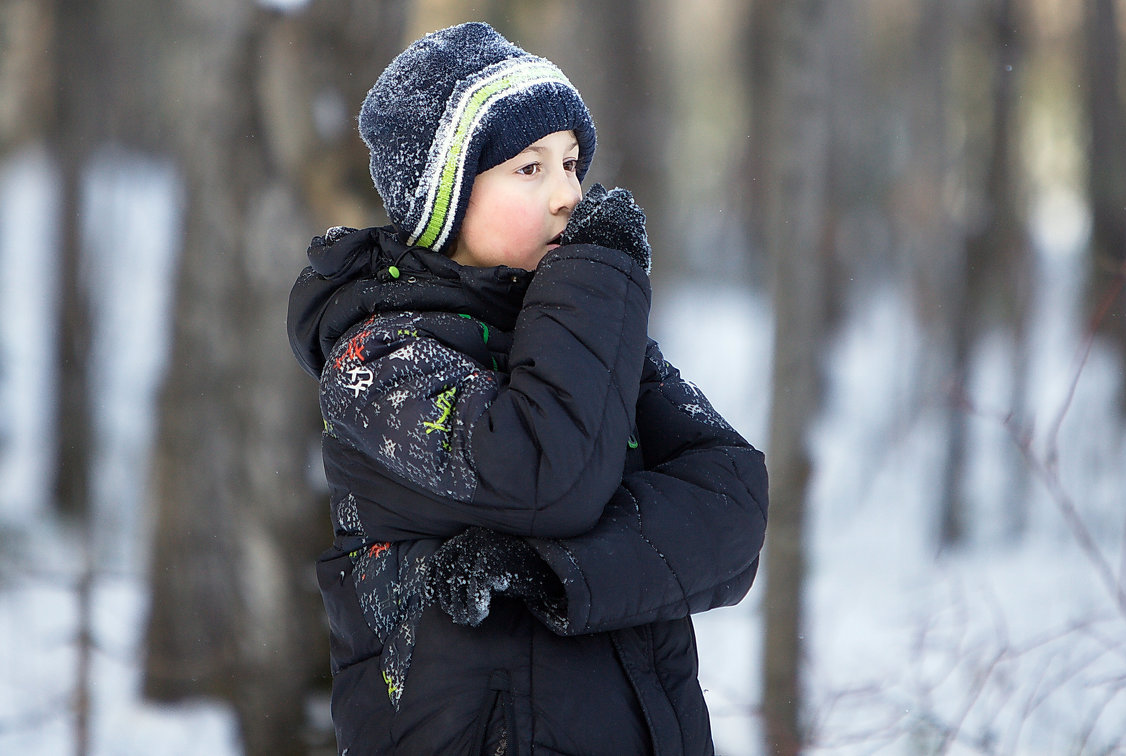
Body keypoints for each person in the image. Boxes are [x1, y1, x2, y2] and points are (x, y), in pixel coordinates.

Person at [287, 21, 768, 756]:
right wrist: (597, 276)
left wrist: (552, 570)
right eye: (529, 169)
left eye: (572, 163)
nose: (570, 195)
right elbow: (545, 474)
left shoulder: (589, 333)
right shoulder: (378, 356)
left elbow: (732, 506)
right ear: (442, 200)